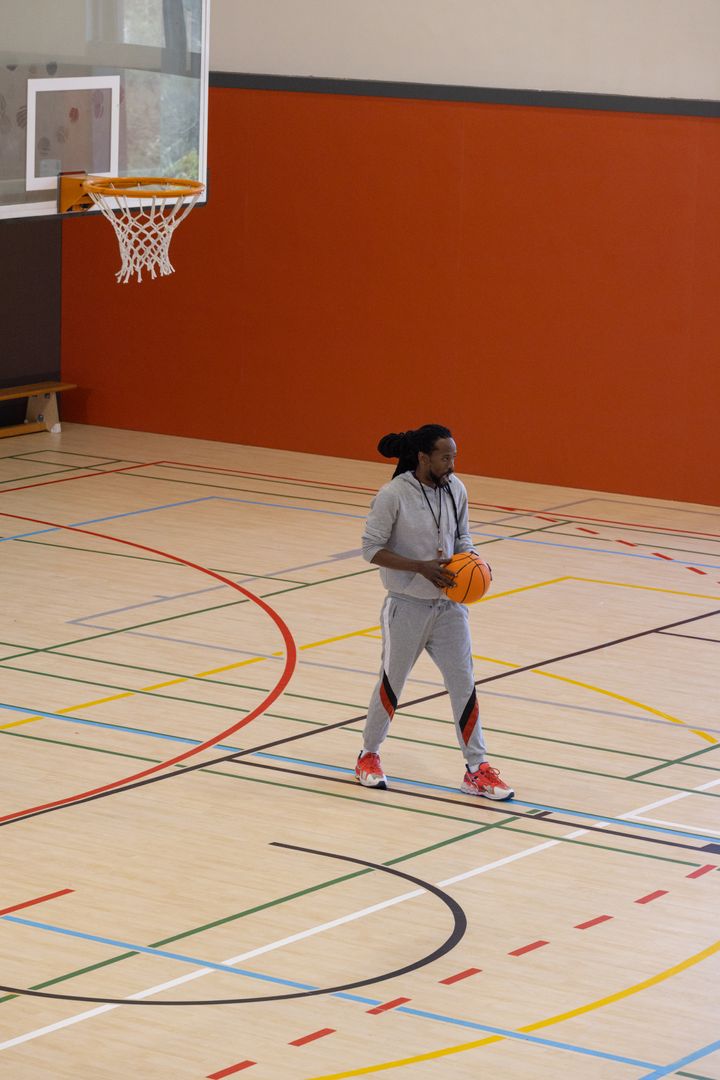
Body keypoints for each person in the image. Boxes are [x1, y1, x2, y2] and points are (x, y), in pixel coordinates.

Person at [356, 424, 514, 800]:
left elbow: (463, 538)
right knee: (391, 685)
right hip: (406, 605)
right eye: (445, 456)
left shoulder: (457, 489)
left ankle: (477, 769)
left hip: (450, 608)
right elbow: (370, 548)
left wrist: (472, 560)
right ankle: (368, 755)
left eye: (454, 455)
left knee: (464, 685)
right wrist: (420, 566)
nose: (453, 463)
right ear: (423, 457)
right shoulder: (393, 495)